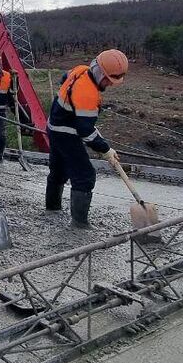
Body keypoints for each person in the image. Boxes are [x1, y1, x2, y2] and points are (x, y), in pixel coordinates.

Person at [45, 50, 128, 229]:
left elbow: (64, 77)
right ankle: (79, 223)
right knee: (85, 175)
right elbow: (86, 132)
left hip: (54, 126)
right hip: (66, 133)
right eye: (108, 80)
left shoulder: (80, 70)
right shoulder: (88, 94)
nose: (109, 85)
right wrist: (106, 150)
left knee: (58, 171)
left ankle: (52, 209)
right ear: (99, 73)